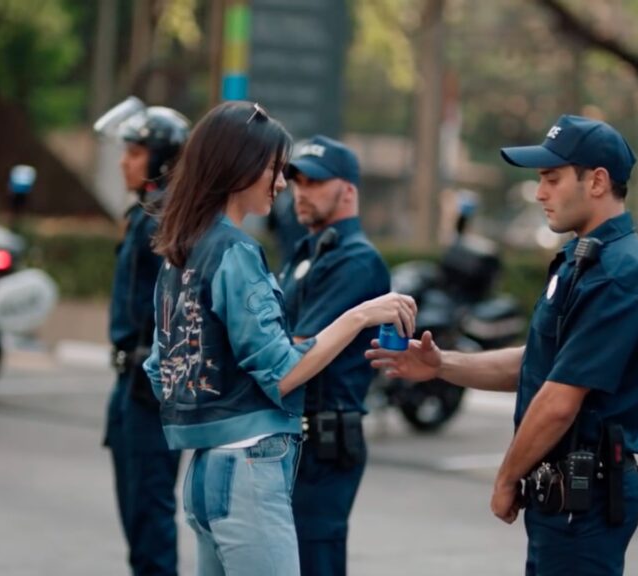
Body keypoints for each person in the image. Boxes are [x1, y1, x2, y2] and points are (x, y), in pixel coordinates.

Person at [367, 114, 638, 576]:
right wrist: (441, 364)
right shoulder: (582, 260)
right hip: (563, 498)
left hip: (582, 502)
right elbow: (538, 365)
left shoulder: (619, 275)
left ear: (598, 182)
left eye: (552, 178)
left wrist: (507, 476)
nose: (540, 192)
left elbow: (559, 401)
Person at [144, 101, 416, 576]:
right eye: (275, 168)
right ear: (241, 167)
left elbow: (159, 369)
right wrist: (361, 315)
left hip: (205, 468)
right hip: (249, 467)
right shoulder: (235, 251)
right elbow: (282, 370)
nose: (283, 183)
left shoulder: (180, 250)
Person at [279, 135, 390, 576]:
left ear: (348, 191)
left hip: (324, 440)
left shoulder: (356, 259)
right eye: (297, 181)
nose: (301, 192)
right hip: (298, 435)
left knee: (314, 559)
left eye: (315, 182)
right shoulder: (308, 251)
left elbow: (299, 346)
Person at [94, 97, 188, 576]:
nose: (123, 161)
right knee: (135, 515)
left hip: (149, 389)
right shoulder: (144, 214)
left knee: (150, 516)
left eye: (134, 152)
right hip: (127, 384)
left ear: (160, 159)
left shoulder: (168, 220)